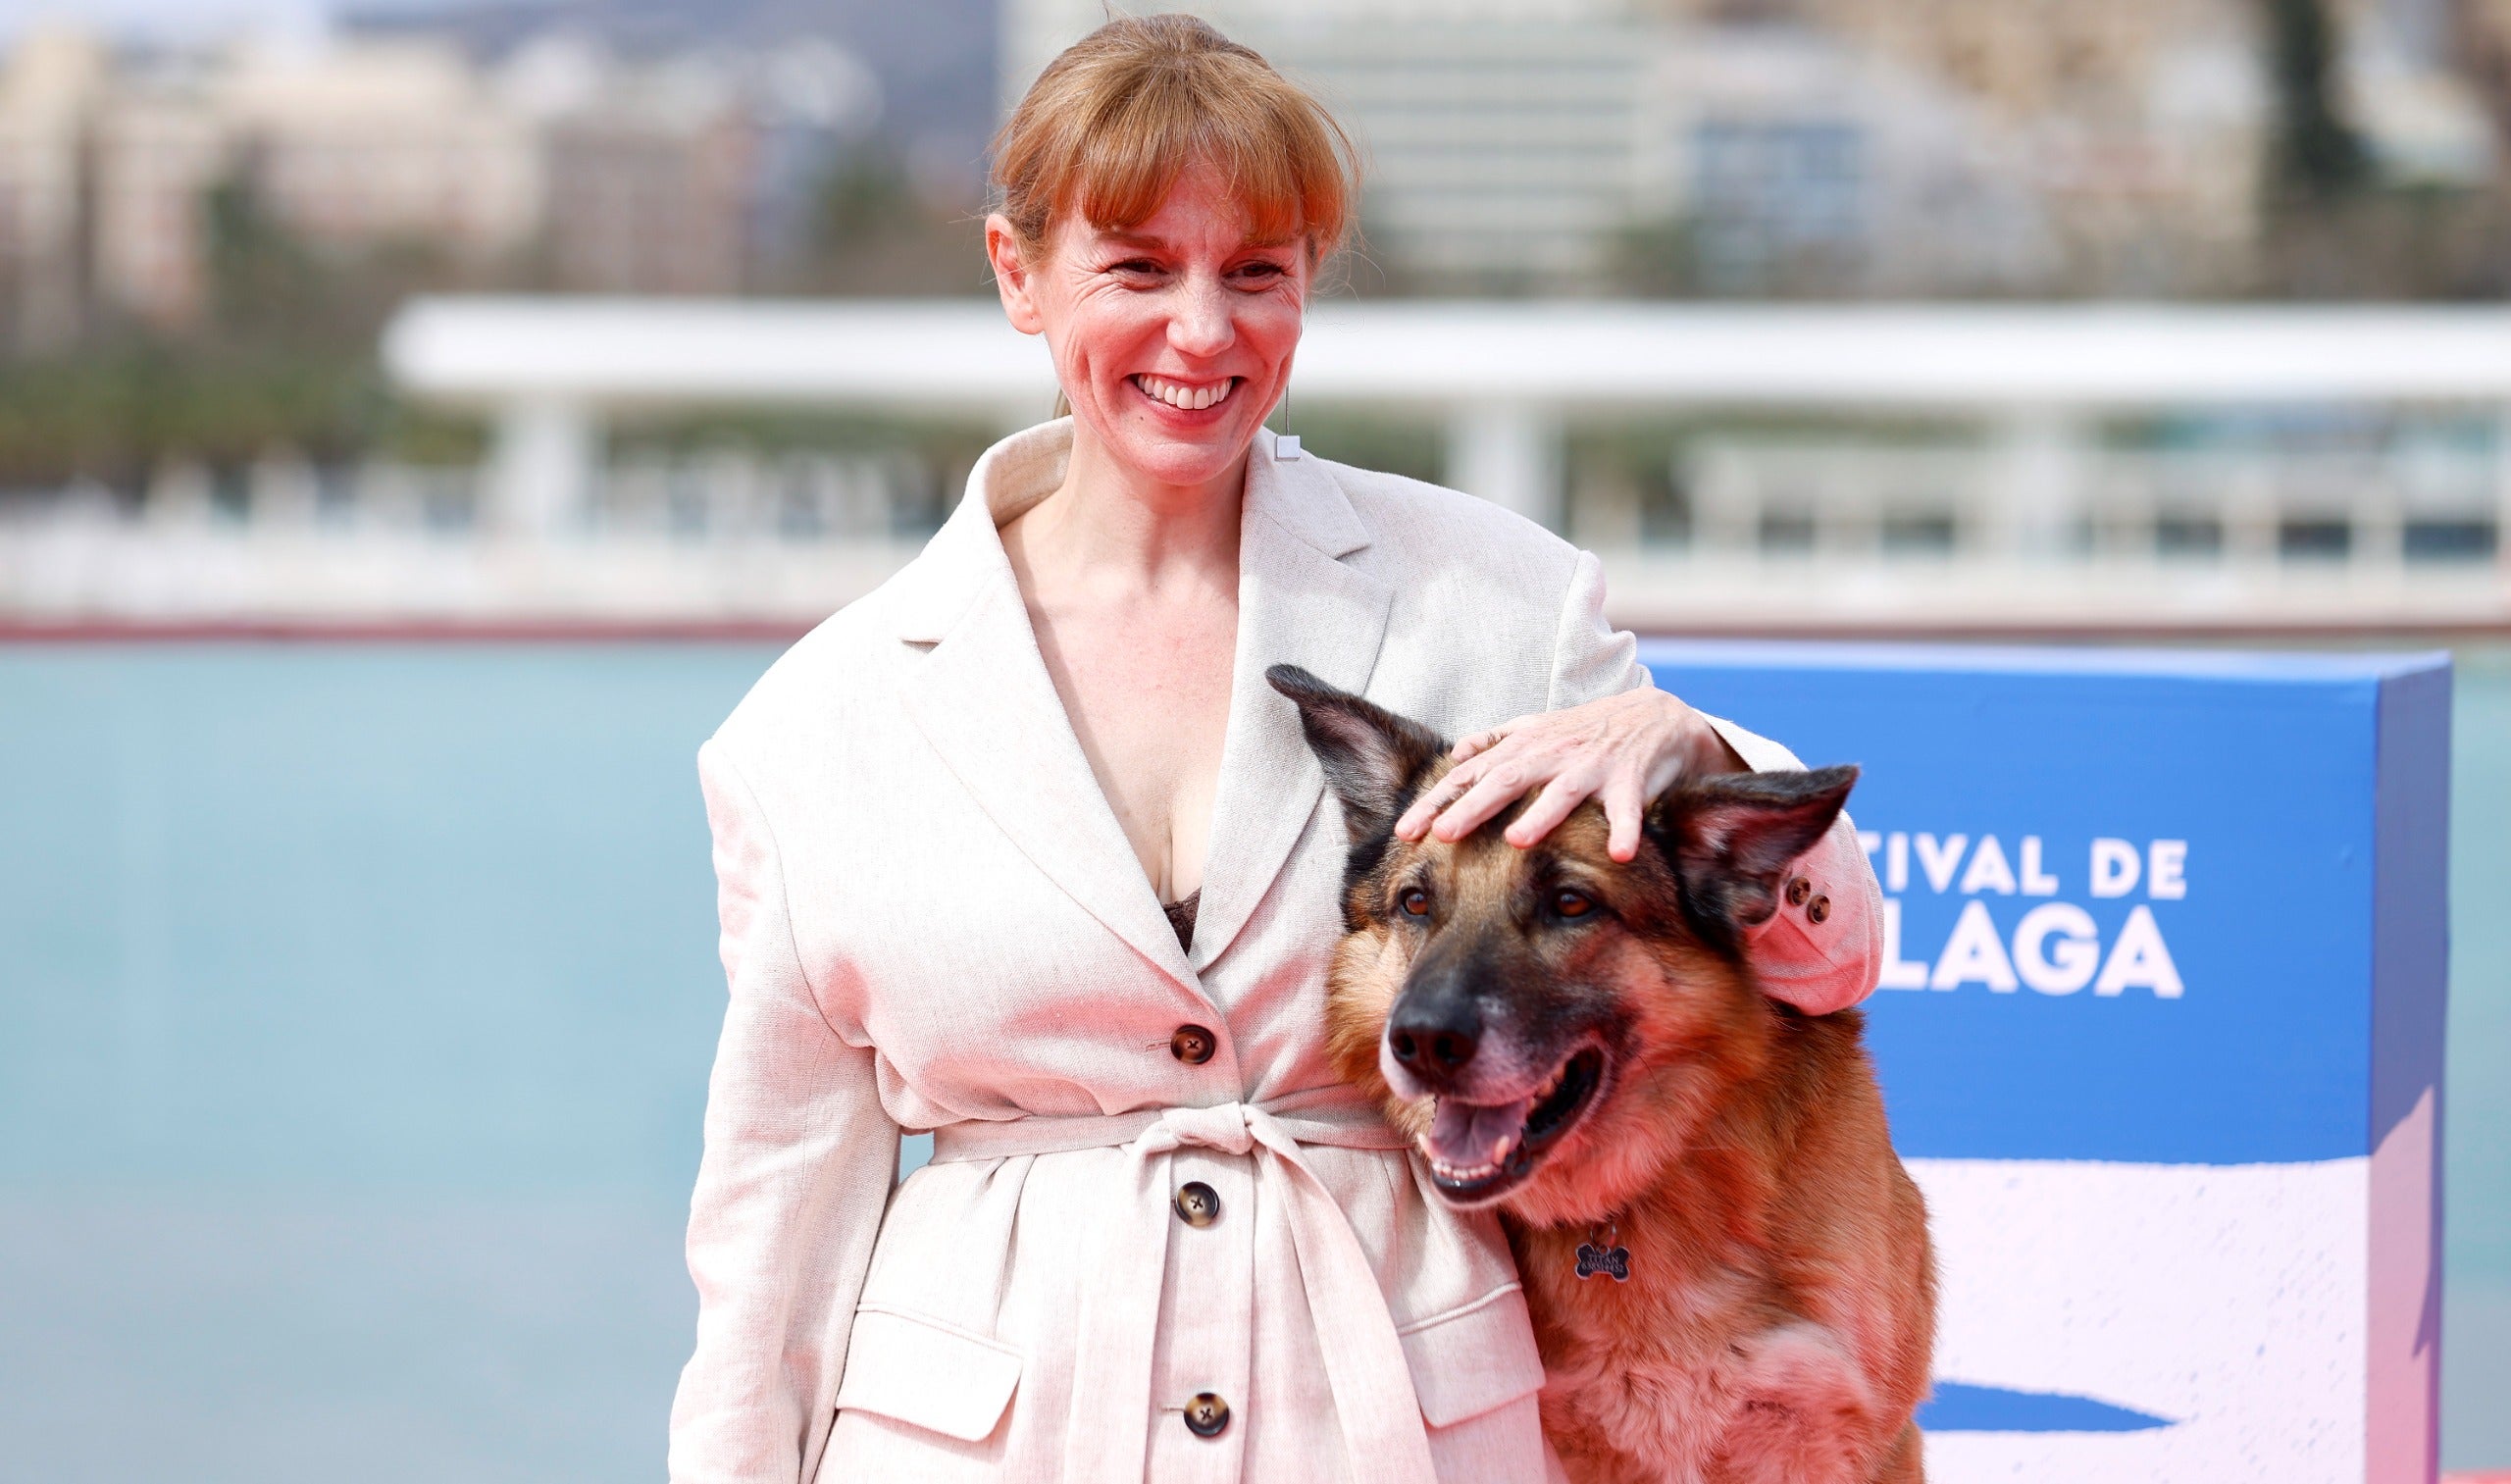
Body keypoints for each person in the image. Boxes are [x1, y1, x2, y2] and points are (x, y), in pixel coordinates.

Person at [666, 16, 1883, 1483]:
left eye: (1257, 273)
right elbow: (772, 1221)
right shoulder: (822, 721)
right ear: (1017, 273)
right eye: (1136, 267)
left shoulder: (1497, 602)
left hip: (1394, 1425)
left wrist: (1687, 737)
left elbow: (1835, 961)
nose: (1202, 329)